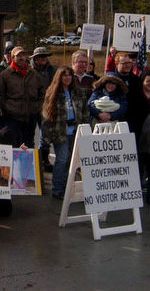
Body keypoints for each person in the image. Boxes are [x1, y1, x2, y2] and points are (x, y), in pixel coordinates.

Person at [41, 67, 89, 199]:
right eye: (64, 75)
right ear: (59, 77)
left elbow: (85, 112)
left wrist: (85, 128)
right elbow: (46, 117)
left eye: (69, 75)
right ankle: (57, 190)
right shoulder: (52, 93)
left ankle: (67, 188)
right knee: (61, 160)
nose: (67, 78)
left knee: (71, 162)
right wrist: (47, 136)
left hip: (76, 132)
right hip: (60, 132)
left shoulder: (79, 92)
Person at [0, 46, 44, 148]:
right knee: (13, 145)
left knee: (29, 146)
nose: (21, 58)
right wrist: (8, 109)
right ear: (12, 57)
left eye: (23, 55)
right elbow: (0, 96)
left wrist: (36, 107)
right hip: (12, 118)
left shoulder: (34, 74)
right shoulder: (5, 75)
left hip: (30, 117)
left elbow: (41, 93)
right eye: (18, 55)